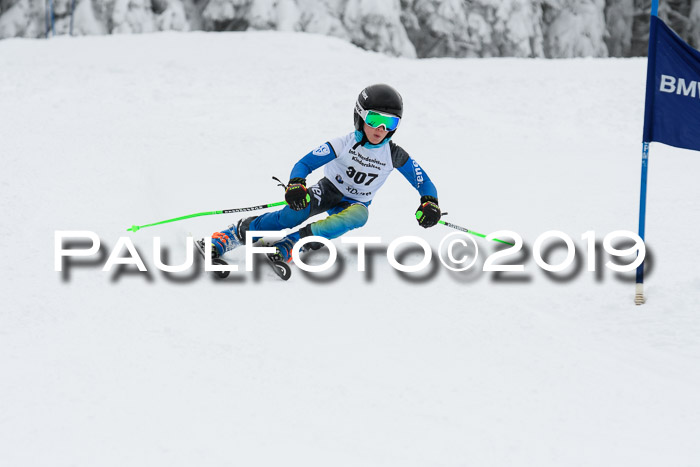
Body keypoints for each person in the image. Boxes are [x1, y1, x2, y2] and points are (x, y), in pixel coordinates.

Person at [211, 83, 441, 262]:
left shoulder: (394, 155)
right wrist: (296, 184)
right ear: (360, 116)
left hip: (355, 203)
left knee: (359, 216)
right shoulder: (343, 143)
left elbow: (424, 182)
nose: (381, 129)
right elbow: (304, 163)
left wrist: (429, 203)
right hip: (328, 189)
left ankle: (293, 243)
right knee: (293, 214)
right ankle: (233, 234)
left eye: (389, 123)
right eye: (374, 119)